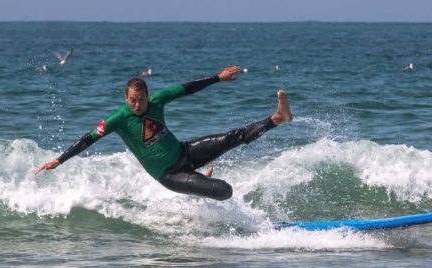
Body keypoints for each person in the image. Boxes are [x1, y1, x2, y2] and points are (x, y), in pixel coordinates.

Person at [34, 66, 293, 201]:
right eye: (133, 101)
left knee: (232, 137)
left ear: (148, 96)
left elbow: (188, 88)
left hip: (184, 151)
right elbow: (88, 139)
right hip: (170, 175)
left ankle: (277, 119)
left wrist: (217, 78)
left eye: (142, 100)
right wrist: (59, 159)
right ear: (126, 98)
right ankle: (198, 187)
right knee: (224, 191)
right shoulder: (117, 120)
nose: (138, 105)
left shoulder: (157, 100)